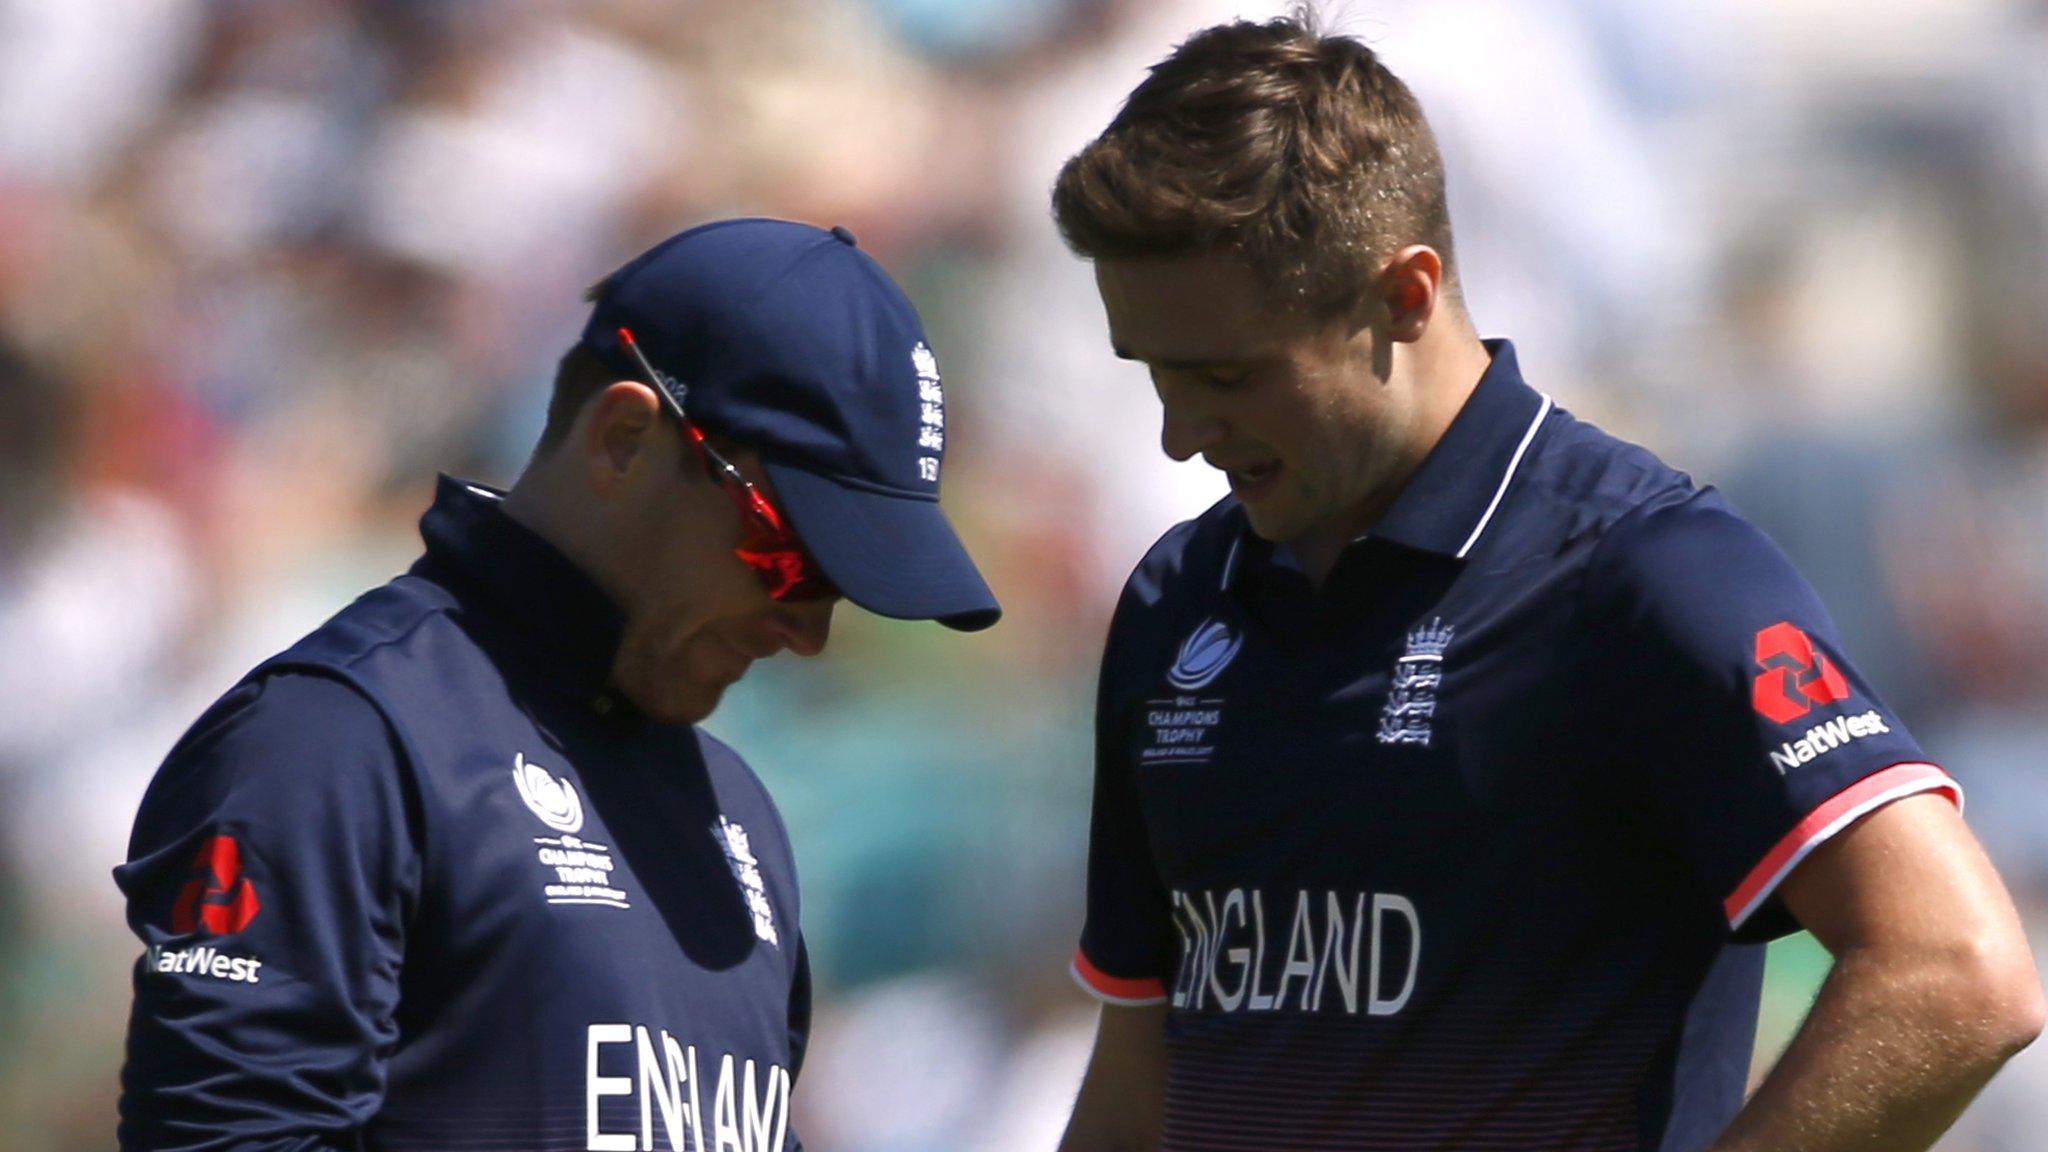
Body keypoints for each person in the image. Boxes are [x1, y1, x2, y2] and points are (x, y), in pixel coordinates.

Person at [1049, 15, 2042, 1152]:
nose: (1177, 436)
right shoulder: (1179, 602)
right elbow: (1140, 1073)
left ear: (1405, 295)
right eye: (1153, 376)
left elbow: (1955, 971)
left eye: (1226, 375)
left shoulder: (1641, 576)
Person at [114, 217, 1000, 1152]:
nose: (809, 630)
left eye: (841, 588)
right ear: (623, 439)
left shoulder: (740, 817)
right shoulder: (336, 742)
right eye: (788, 558)